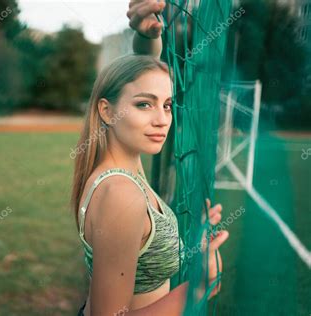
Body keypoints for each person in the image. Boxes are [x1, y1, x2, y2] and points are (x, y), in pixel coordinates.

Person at [70, 1, 230, 315]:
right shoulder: (120, 194)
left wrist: (146, 33)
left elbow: (143, 73)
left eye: (168, 105)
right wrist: (199, 283)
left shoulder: (125, 167)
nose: (162, 120)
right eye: (145, 105)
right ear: (107, 111)